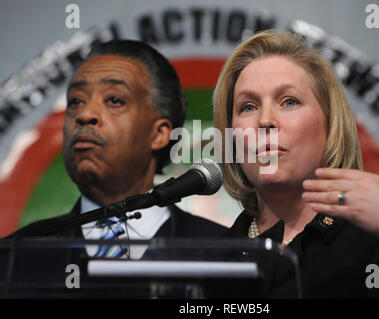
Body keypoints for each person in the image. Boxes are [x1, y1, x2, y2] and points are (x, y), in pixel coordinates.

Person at [213, 30, 379, 298]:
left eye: (289, 101)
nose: (265, 120)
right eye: (248, 107)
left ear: (329, 124)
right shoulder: (210, 262)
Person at [0, 40, 227, 296]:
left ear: (159, 134)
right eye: (75, 101)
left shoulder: (227, 253)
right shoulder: (14, 256)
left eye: (114, 100)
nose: (85, 114)